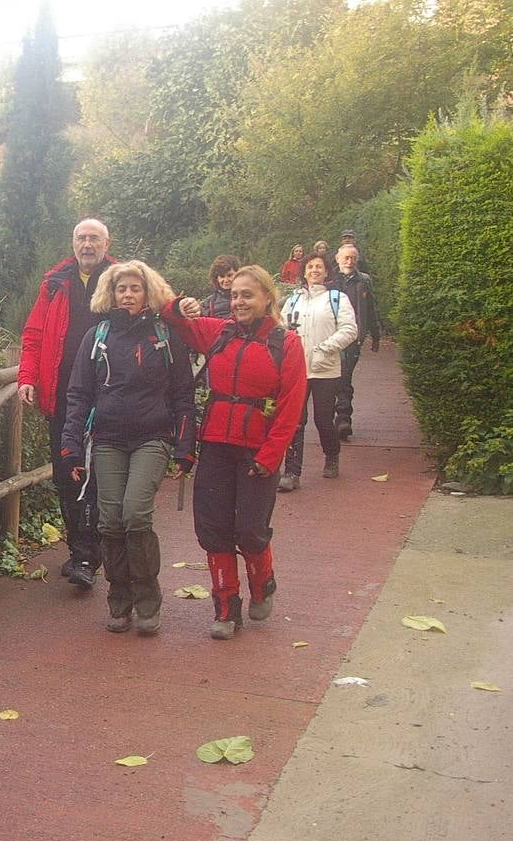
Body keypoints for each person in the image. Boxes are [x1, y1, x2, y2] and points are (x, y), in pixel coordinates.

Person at [164, 266, 307, 638]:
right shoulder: (218, 331)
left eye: (248, 295)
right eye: (235, 295)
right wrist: (183, 304)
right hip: (215, 445)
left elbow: (291, 405)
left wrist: (270, 457)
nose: (239, 302)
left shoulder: (286, 343)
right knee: (213, 529)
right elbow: (170, 316)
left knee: (250, 530)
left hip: (258, 451)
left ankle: (263, 582)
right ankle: (226, 608)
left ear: (267, 300)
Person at [58, 261, 196, 635]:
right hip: (108, 439)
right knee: (110, 520)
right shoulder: (97, 336)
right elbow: (78, 394)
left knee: (135, 514)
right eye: (122, 289)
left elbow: (184, 394)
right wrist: (70, 446)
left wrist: (185, 445)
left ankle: (148, 599)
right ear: (112, 293)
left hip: (153, 436)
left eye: (136, 288)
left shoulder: (165, 335)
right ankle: (119, 600)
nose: (129, 295)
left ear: (147, 292)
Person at [18, 218, 117, 588]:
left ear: (107, 243)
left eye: (94, 238)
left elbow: (155, 310)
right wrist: (27, 377)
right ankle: (82, 550)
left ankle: (88, 554)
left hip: (109, 395)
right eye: (81, 238)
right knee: (65, 473)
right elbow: (33, 334)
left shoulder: (122, 278)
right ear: (73, 243)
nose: (87, 244)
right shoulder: (55, 283)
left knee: (97, 476)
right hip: (62, 394)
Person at [278, 248, 358, 490]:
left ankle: (332, 455)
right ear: (304, 272)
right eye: (310, 267)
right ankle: (291, 473)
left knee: (323, 420)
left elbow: (349, 330)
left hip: (325, 369)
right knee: (295, 421)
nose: (314, 270)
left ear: (326, 273)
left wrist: (325, 348)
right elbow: (280, 329)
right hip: (296, 369)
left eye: (318, 267)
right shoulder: (293, 300)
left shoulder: (337, 299)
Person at [331, 244, 381, 440]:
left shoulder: (364, 281)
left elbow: (371, 309)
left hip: (352, 338)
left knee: (345, 377)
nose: (350, 262)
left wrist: (375, 335)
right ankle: (331, 418)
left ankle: (343, 418)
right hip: (330, 336)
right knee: (331, 379)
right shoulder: (330, 280)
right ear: (337, 259)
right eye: (346, 258)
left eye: (353, 258)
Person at [201, 254, 240, 318]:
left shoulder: (248, 297)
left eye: (229, 275)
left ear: (238, 274)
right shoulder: (208, 303)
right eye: (222, 276)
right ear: (216, 278)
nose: (226, 280)